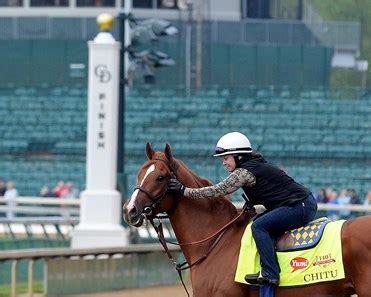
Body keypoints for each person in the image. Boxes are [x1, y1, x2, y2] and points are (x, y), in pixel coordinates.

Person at [168, 132, 317, 286]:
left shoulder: (244, 172)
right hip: (300, 204)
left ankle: (271, 273)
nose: (224, 163)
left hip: (300, 206)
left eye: (226, 158)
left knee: (259, 227)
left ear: (238, 156)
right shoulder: (253, 165)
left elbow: (215, 191)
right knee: (257, 222)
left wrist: (183, 190)